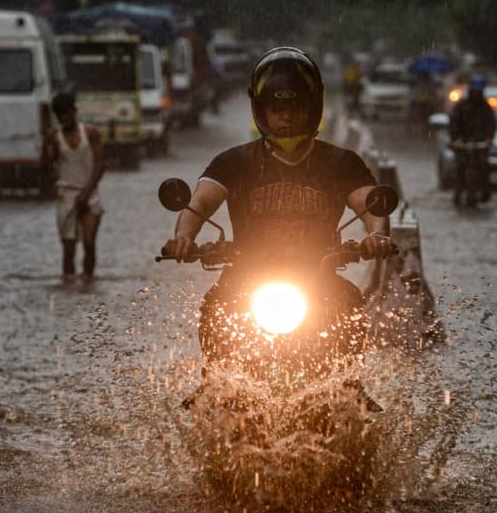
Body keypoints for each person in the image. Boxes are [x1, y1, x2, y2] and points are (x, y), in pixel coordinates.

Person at [161, 47, 393, 384]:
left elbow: (369, 203)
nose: (285, 117)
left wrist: (376, 236)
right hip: (246, 280)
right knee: (214, 305)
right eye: (277, 108)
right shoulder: (234, 161)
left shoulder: (341, 163)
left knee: (351, 302)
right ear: (261, 110)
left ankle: (349, 390)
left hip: (319, 279)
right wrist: (184, 238)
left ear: (312, 109)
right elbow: (199, 203)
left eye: (295, 107)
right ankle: (214, 387)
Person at [42, 90, 105, 280]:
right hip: (66, 194)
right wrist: (46, 146)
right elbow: (46, 168)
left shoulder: (90, 133)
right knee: (68, 249)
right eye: (59, 115)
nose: (64, 118)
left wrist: (86, 192)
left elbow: (101, 164)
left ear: (74, 111)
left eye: (66, 113)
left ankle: (88, 280)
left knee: (89, 242)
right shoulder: (55, 138)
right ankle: (68, 283)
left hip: (90, 193)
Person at [448, 75, 497, 205]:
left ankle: (485, 192)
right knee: (460, 167)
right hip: (463, 143)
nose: (476, 94)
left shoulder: (486, 107)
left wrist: (489, 139)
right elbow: (453, 123)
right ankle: (457, 194)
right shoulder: (461, 106)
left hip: (480, 144)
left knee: (484, 166)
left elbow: (491, 125)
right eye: (474, 91)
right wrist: (456, 139)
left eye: (478, 91)